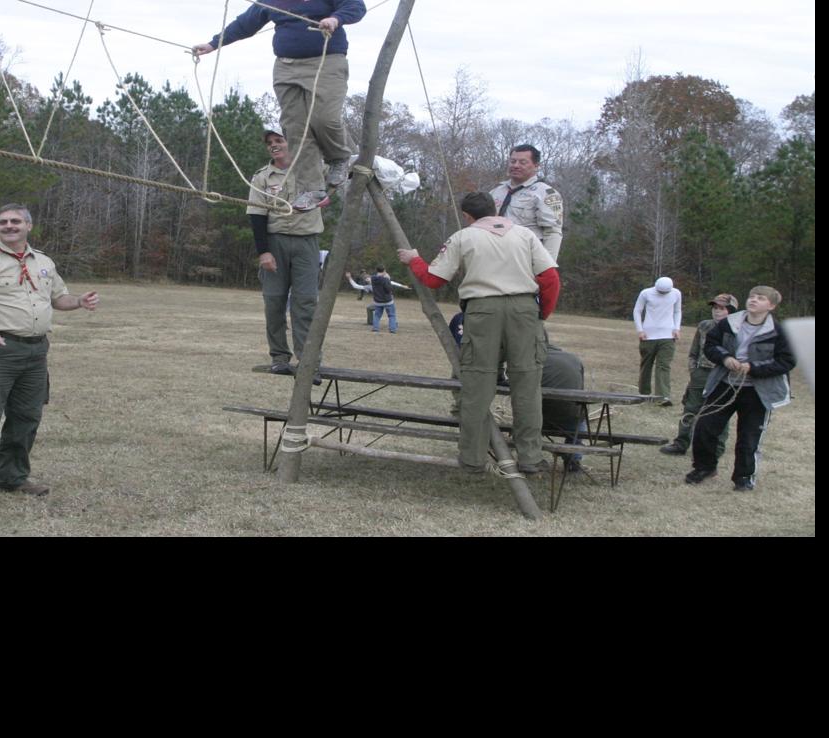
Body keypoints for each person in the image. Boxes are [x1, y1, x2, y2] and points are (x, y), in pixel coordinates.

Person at [399, 192, 560, 476]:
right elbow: (550, 278)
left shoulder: (463, 237)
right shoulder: (525, 234)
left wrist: (414, 260)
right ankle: (530, 457)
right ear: (495, 208)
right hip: (524, 310)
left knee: (477, 386)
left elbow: (434, 279)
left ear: (467, 215)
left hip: (482, 311)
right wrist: (540, 315)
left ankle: (473, 457)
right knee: (527, 387)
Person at [0, 203, 99, 507]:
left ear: (28, 226)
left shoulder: (44, 262)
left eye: (15, 221)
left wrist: (79, 301)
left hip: (35, 352)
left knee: (26, 417)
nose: (9, 226)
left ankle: (12, 478)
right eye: (2, 222)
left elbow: (58, 298)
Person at [194, 2, 363, 207]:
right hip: (286, 66)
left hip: (327, 60)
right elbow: (245, 23)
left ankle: (339, 158)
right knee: (294, 127)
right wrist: (213, 44)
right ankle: (311, 189)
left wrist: (335, 19)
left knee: (324, 118)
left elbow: (355, 6)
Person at [688, 286, 795, 492]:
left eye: (760, 298)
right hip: (725, 384)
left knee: (748, 437)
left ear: (771, 306)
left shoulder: (778, 331)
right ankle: (704, 468)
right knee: (705, 427)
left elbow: (786, 361)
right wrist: (725, 358)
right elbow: (710, 345)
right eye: (752, 296)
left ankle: (743, 477)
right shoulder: (729, 322)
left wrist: (753, 367)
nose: (753, 300)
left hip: (757, 391)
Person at [249, 129, 323, 378]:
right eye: (270, 142)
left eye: (279, 140)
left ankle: (309, 362)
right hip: (275, 242)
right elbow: (256, 216)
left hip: (306, 242)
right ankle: (279, 357)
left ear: (291, 143)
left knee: (306, 303)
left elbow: (339, 177)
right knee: (274, 302)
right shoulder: (262, 177)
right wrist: (264, 252)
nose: (274, 145)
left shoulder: (312, 169)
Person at [661, 292, 737, 456]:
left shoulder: (737, 329)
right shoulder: (704, 326)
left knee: (719, 412)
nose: (717, 311)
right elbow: (694, 352)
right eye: (715, 308)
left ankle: (716, 448)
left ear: (731, 311)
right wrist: (694, 371)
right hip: (701, 373)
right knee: (690, 408)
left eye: (722, 308)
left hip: (723, 376)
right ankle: (681, 443)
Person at [489, 144, 563, 260]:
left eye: (522, 162)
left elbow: (552, 232)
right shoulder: (496, 192)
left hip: (525, 257)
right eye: (513, 161)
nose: (516, 166)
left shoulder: (546, 193)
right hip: (493, 254)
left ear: (536, 166)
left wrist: (547, 265)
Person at [633, 276, 682, 404]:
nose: (663, 294)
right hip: (648, 336)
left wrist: (676, 328)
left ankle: (663, 396)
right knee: (646, 365)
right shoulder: (646, 293)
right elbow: (637, 311)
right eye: (660, 292)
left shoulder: (676, 293)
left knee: (664, 365)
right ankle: (644, 393)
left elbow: (677, 311)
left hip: (668, 336)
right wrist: (640, 330)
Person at [541, 343, 588, 473]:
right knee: (579, 422)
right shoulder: (574, 359)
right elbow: (580, 389)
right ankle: (573, 460)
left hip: (541, 416)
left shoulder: (534, 360)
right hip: (570, 416)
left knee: (525, 415)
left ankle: (530, 457)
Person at [367, 265, 408, 333]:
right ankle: (392, 329)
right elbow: (389, 289)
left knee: (377, 315)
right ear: (384, 271)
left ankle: (375, 328)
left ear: (377, 270)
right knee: (391, 315)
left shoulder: (373, 278)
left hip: (377, 301)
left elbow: (375, 278)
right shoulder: (385, 279)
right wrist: (388, 279)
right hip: (387, 301)